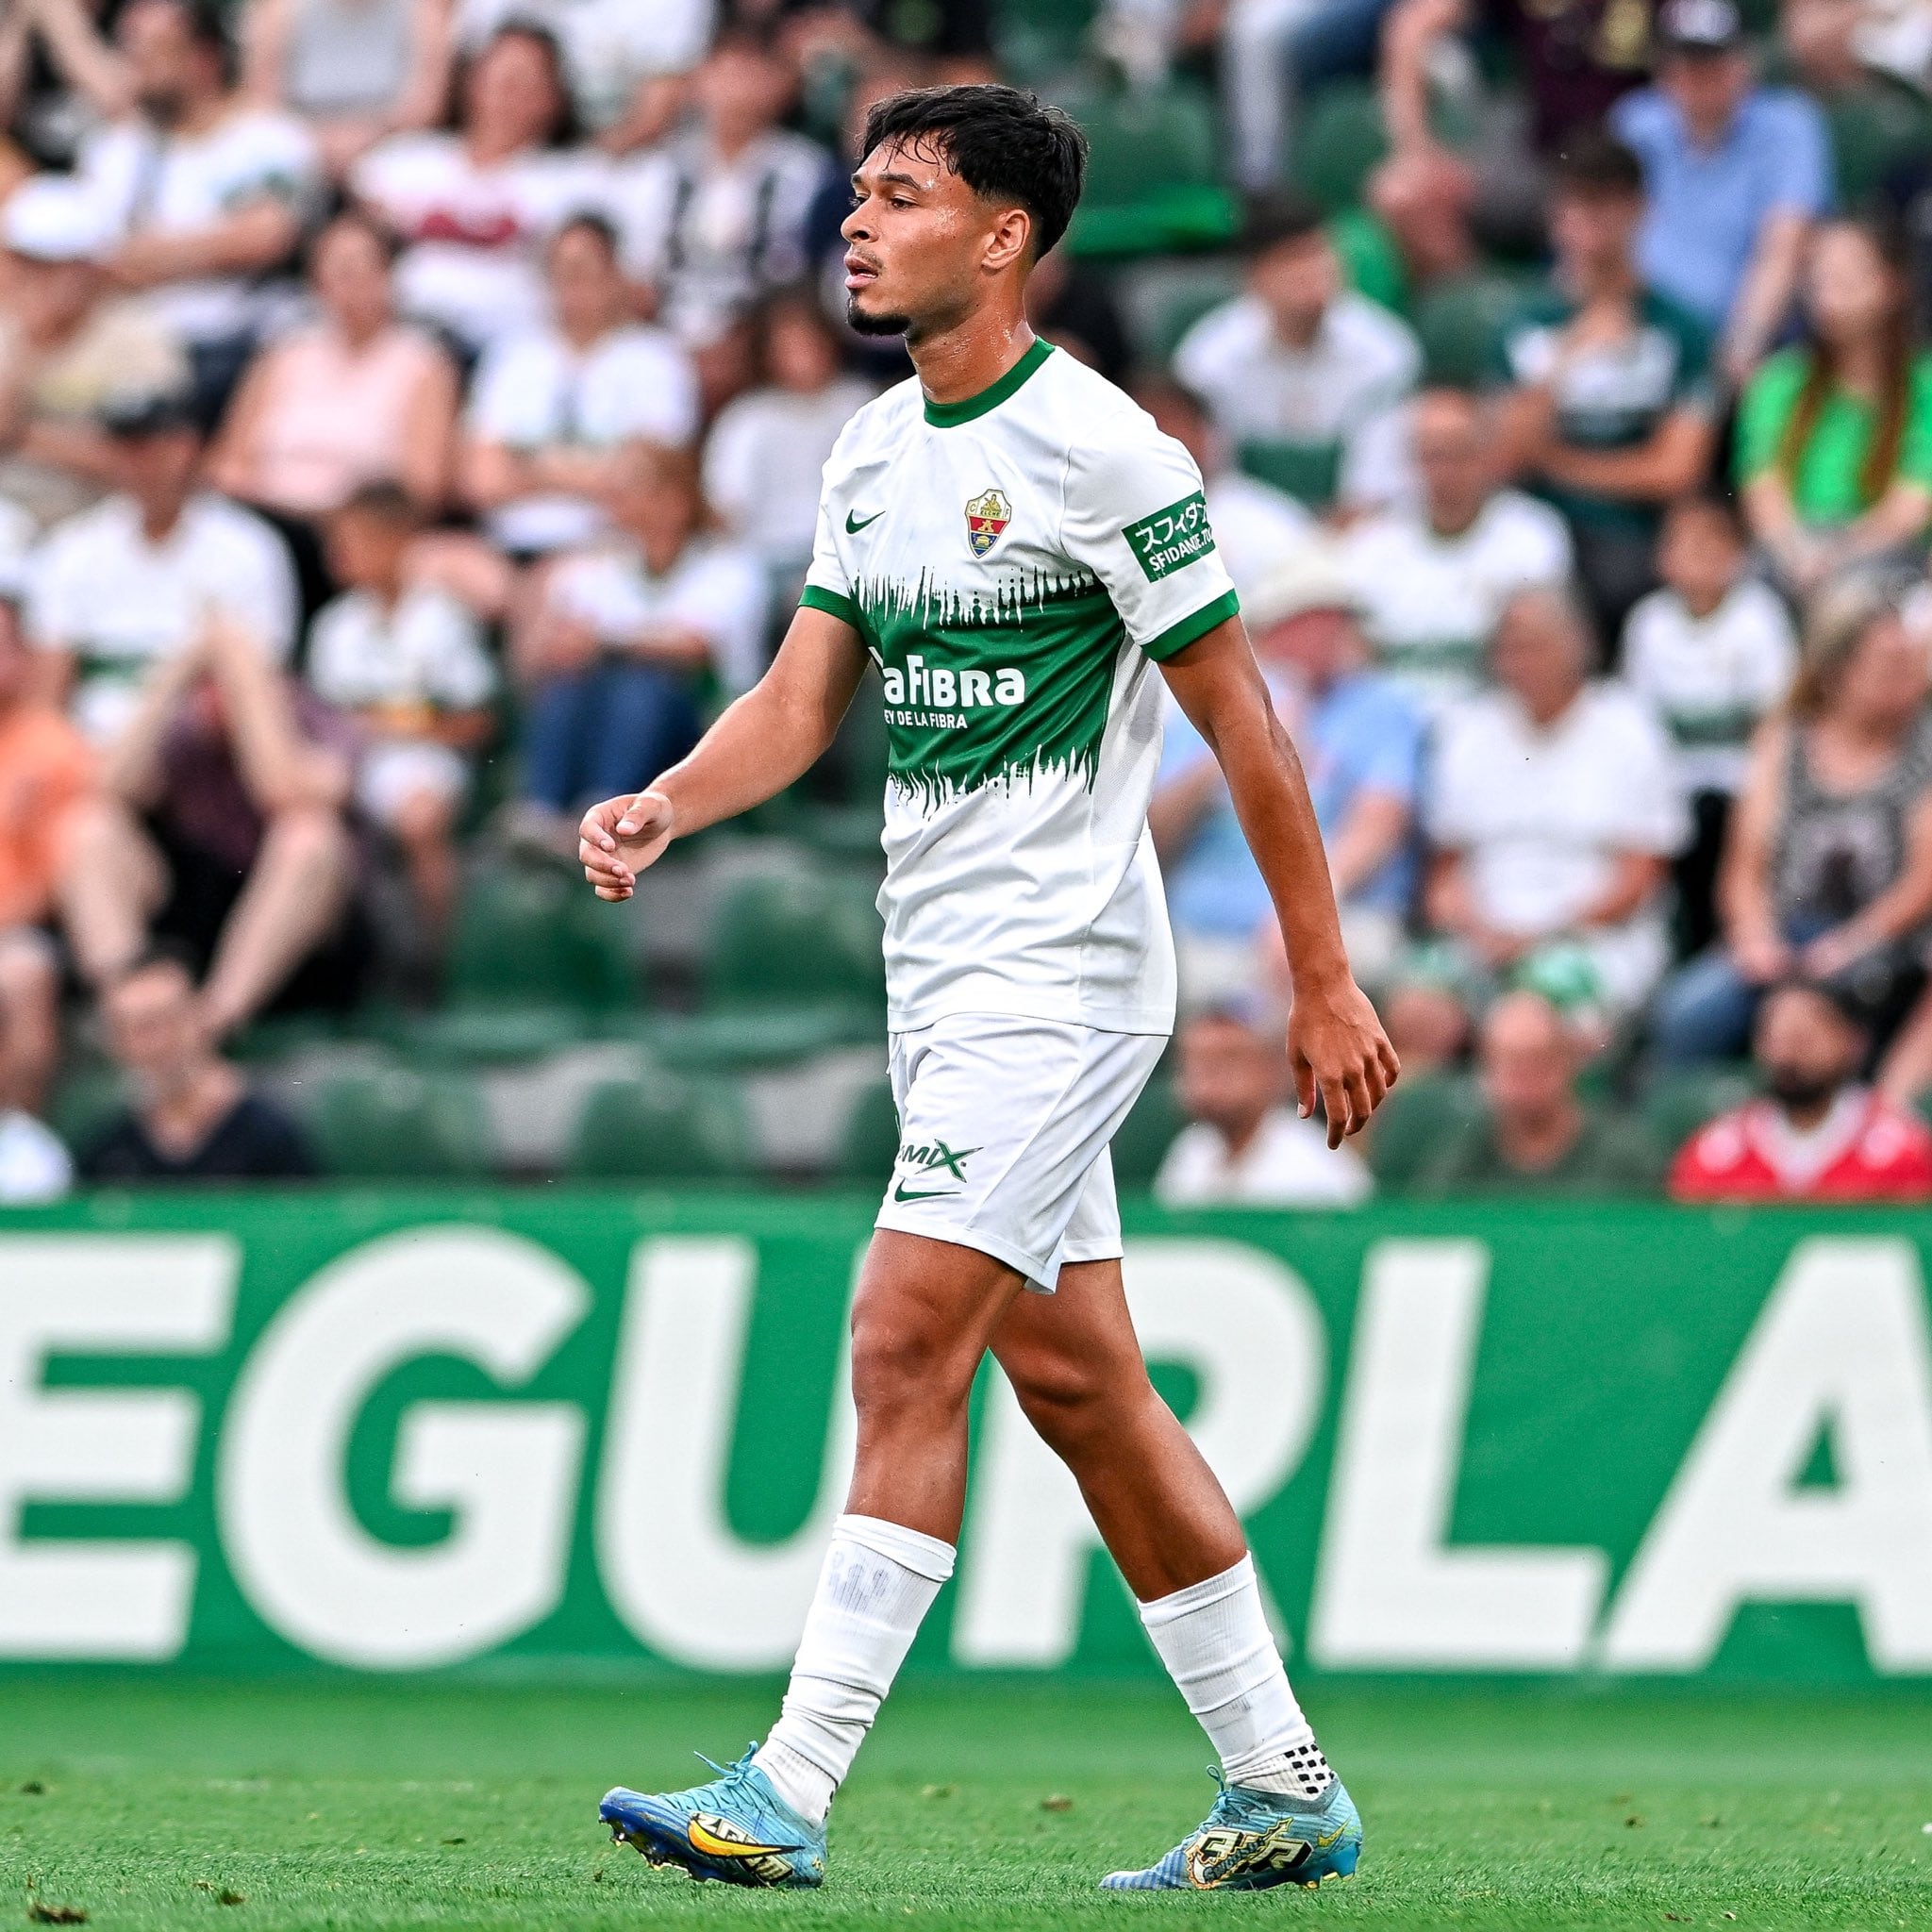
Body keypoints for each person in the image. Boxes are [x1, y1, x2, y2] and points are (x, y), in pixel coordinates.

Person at [578, 83, 1393, 1895]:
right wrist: (665, 802)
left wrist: (1318, 978)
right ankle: (1280, 1779)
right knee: (1083, 1385)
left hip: (1062, 976)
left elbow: (1244, 724)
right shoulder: (870, 450)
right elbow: (799, 704)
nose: (853, 225)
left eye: (897, 196)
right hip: (938, 979)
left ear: (1002, 235)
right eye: (855, 195)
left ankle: (788, 1782)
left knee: (897, 1330)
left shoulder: (1106, 448)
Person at [1652, 575, 1932, 1064]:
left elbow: (1922, 883)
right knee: (1687, 1016)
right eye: (1890, 665)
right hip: (1787, 937)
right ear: (1837, 671)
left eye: (1910, 662)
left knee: (1826, 1019)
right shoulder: (1784, 741)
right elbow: (1744, 865)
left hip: (1883, 947)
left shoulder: (1925, 745)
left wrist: (1848, 946)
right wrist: (1756, 939)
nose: (1910, 677)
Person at [55, 609, 364, 1042]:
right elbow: (109, 786)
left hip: (298, 951)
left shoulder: (320, 720)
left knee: (308, 836)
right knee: (91, 827)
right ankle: (131, 1010)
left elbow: (284, 789)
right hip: (191, 923)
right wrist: (173, 676)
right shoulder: (184, 729)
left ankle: (210, 1025)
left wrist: (249, 685)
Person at [1401, 584, 1688, 1050]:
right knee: (1415, 1009)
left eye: (1538, 645)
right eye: (1512, 647)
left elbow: (1641, 877)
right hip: (1483, 935)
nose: (1525, 661)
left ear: (1580, 646)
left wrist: (1538, 935)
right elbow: (1445, 871)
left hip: (1592, 938)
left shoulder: (1630, 728)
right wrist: (1477, 928)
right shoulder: (1468, 731)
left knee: (1531, 1024)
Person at [25, 0, 322, 425]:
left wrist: (135, 258)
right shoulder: (116, 148)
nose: (133, 65)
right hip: (117, 338)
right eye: (129, 49)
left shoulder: (267, 138)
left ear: (203, 59)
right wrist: (196, 249)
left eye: (151, 51)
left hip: (224, 343)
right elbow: (84, 253)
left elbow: (262, 239)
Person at [1151, 543, 1423, 998]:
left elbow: (1380, 824)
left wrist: (1304, 922)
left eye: (1337, 617)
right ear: (1268, 630)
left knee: (1305, 971)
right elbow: (1154, 834)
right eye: (1308, 618)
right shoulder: (1202, 709)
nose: (1328, 631)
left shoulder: (1381, 707)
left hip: (1336, 922)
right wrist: (1236, 748)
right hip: (1205, 929)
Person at [1491, 132, 1716, 644]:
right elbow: (1504, 456)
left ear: (1640, 211)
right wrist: (1568, 358)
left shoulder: (1680, 329)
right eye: (1575, 204)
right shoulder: (1525, 324)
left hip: (1635, 538)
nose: (1588, 223)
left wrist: (1554, 461)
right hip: (1538, 531)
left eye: (1605, 204)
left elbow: (1674, 471)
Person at [513, 441, 765, 845]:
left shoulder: (727, 565)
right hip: (603, 718)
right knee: (567, 686)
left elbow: (692, 646)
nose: (616, 500)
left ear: (676, 500)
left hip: (703, 730)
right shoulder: (601, 563)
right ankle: (540, 813)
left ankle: (603, 813)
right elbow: (556, 644)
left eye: (633, 488)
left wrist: (604, 644)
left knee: (643, 688)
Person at [25, 388, 297, 749]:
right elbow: (48, 690)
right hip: (89, 745)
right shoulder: (73, 547)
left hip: (202, 749)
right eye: (124, 446)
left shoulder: (248, 546)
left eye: (149, 444)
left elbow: (260, 680)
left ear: (186, 447)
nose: (136, 461)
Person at [306, 482, 495, 942]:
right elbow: (320, 723)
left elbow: (477, 722)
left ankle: (441, 960)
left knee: (420, 816)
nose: (338, 554)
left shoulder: (444, 617)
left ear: (396, 541)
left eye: (352, 541)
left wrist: (388, 726)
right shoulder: (333, 626)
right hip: (353, 764)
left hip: (429, 762)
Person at [350, 22, 607, 359]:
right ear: (471, 80)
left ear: (554, 100)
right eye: (500, 73)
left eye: (526, 80)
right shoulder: (403, 161)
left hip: (507, 350)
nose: (508, 88)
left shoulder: (574, 181)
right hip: (398, 339)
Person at [1610, 0, 1829, 385]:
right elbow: (1608, 237)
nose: (1702, 77)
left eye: (1716, 62)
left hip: (1739, 345)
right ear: (1663, 70)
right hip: (1641, 338)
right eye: (1689, 63)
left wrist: (1744, 344)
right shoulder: (1636, 123)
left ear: (1746, 63)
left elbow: (1783, 247)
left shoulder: (1789, 124)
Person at [461, 211, 698, 563]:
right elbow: (481, 480)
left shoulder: (657, 358)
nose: (573, 283)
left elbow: (651, 482)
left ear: (616, 274)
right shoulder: (512, 356)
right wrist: (596, 474)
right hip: (508, 546)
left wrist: (530, 467)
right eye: (562, 270)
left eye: (584, 269)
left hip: (614, 548)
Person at [208, 211, 460, 535]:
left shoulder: (424, 363)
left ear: (389, 275)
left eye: (363, 267)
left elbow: (422, 484)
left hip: (362, 532)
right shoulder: (282, 353)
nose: (351, 282)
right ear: (317, 280)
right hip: (269, 522)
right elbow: (231, 462)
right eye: (339, 270)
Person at [1622, 495, 1797, 957]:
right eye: (1686, 546)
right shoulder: (1648, 624)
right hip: (1671, 789)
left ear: (1740, 555)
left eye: (1713, 546)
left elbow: (1775, 720)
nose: (1699, 559)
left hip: (1738, 787)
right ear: (1663, 557)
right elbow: (1637, 726)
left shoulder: (1759, 617)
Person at [1173, 189, 1422, 515]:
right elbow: (1212, 481)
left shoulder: (1385, 351)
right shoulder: (1209, 357)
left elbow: (1374, 490)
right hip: (1251, 531)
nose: (1311, 273)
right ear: (1254, 277)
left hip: (1356, 535)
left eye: (1319, 254)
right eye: (1292, 259)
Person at [1340, 387, 1574, 713]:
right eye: (1432, 456)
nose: (1445, 470)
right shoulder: (1371, 543)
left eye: (1459, 453)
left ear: (1488, 455)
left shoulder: (1533, 535)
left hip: (1493, 724)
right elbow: (1355, 657)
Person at [1737, 219, 1932, 596]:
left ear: (1892, 283)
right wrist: (1799, 554)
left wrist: (1838, 557)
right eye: (1818, 275)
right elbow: (1763, 492)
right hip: (1793, 554)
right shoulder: (1777, 381)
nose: (1828, 291)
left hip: (1887, 557)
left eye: (1848, 274)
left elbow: (1910, 507)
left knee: (1860, 597)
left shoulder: (1923, 386)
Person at [611, 26, 833, 351]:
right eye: (725, 76)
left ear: (780, 86)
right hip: (669, 334)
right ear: (699, 83)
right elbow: (640, 274)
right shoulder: (659, 171)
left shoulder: (805, 172)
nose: (736, 93)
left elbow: (796, 276)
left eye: (750, 76)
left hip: (759, 344)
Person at [0, 174, 189, 531]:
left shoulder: (140, 337)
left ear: (92, 267)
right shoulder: (8, 327)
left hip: (101, 522)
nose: (34, 276)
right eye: (23, 260)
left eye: (52, 262)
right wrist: (27, 341)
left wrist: (23, 436)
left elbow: (148, 466)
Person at [1669, 976, 1932, 1200]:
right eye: (1776, 1039)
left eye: (1805, 1039)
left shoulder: (1904, 1152)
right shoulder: (1717, 1155)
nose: (1788, 1057)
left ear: (1853, 1041)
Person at [79, 942, 316, 1181]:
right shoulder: (108, 1149)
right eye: (137, 1029)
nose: (158, 1042)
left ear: (200, 1017)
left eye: (168, 1020)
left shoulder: (272, 1129)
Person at [702, 291, 878, 589]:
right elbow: (725, 507)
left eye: (809, 343)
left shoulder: (860, 404)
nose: (802, 357)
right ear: (768, 354)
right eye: (789, 347)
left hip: (846, 554)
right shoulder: (748, 419)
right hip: (764, 560)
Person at [1410, 988, 1663, 1193]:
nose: (1525, 1082)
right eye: (1510, 1067)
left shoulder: (1624, 1159)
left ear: (1567, 1063)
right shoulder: (1462, 1161)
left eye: (1539, 1063)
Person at [0, 562, 93, 1118]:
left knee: (23, 974)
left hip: (23, 932)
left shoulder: (52, 746)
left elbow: (59, 885)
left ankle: (17, 1136)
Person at [1155, 1000, 1373, 1207]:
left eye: (1228, 1058)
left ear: (1273, 1068)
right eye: (1196, 1062)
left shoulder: (1312, 1163)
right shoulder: (1190, 1151)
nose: (1207, 1077)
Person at [1129, 374, 1314, 608]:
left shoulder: (1270, 518)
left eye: (1176, 422)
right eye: (1152, 424)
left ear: (1206, 434)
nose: (1167, 436)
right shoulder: (1096, 526)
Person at [238, 0, 454, 180]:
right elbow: (262, 101)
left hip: (392, 151)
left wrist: (365, 139)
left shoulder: (423, 11)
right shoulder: (282, 9)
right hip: (300, 151)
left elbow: (425, 106)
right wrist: (319, 143)